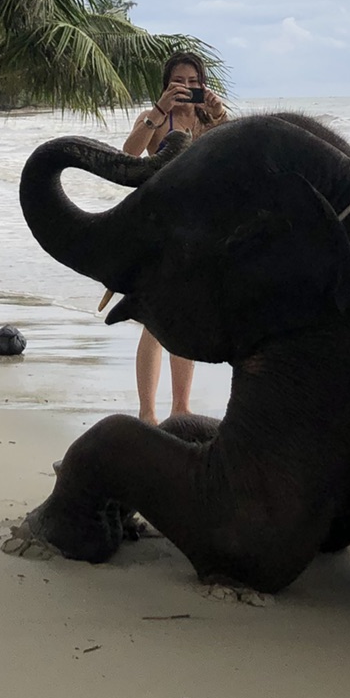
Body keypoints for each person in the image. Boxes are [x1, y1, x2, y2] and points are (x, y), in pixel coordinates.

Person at [119, 52, 228, 423]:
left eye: (193, 81)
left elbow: (238, 155)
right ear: (167, 84)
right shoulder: (157, 117)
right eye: (179, 81)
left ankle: (181, 406)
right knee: (152, 320)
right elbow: (128, 155)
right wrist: (156, 111)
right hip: (159, 226)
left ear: (203, 83)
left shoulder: (209, 120)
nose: (186, 87)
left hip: (199, 228)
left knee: (185, 317)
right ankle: (147, 411)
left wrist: (221, 116)